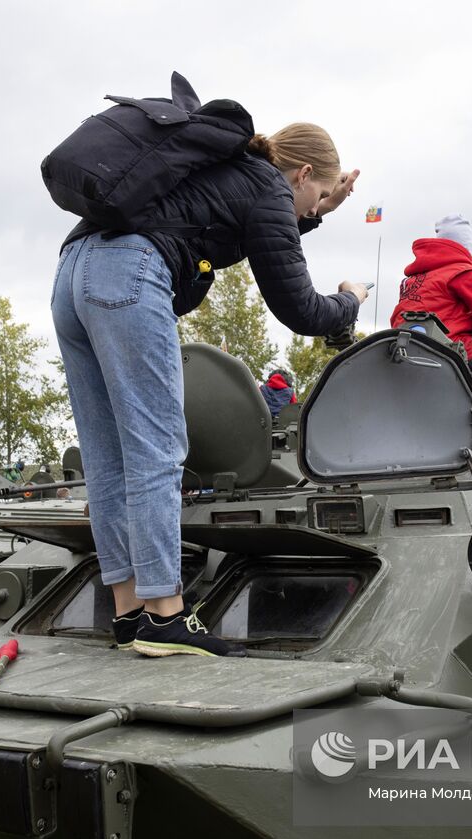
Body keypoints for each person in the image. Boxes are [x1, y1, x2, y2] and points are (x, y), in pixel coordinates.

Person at [53, 121, 366, 658]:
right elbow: (301, 309)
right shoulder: (267, 187)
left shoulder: (231, 174)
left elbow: (268, 227)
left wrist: (320, 211)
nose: (313, 209)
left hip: (72, 273)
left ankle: (129, 614)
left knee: (109, 459)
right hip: (130, 272)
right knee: (157, 451)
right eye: (315, 196)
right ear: (304, 172)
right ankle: (164, 618)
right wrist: (352, 300)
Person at [390, 215, 472, 378]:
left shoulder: (413, 280)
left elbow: (398, 317)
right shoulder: (463, 272)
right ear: (466, 251)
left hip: (405, 349)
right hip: (450, 351)